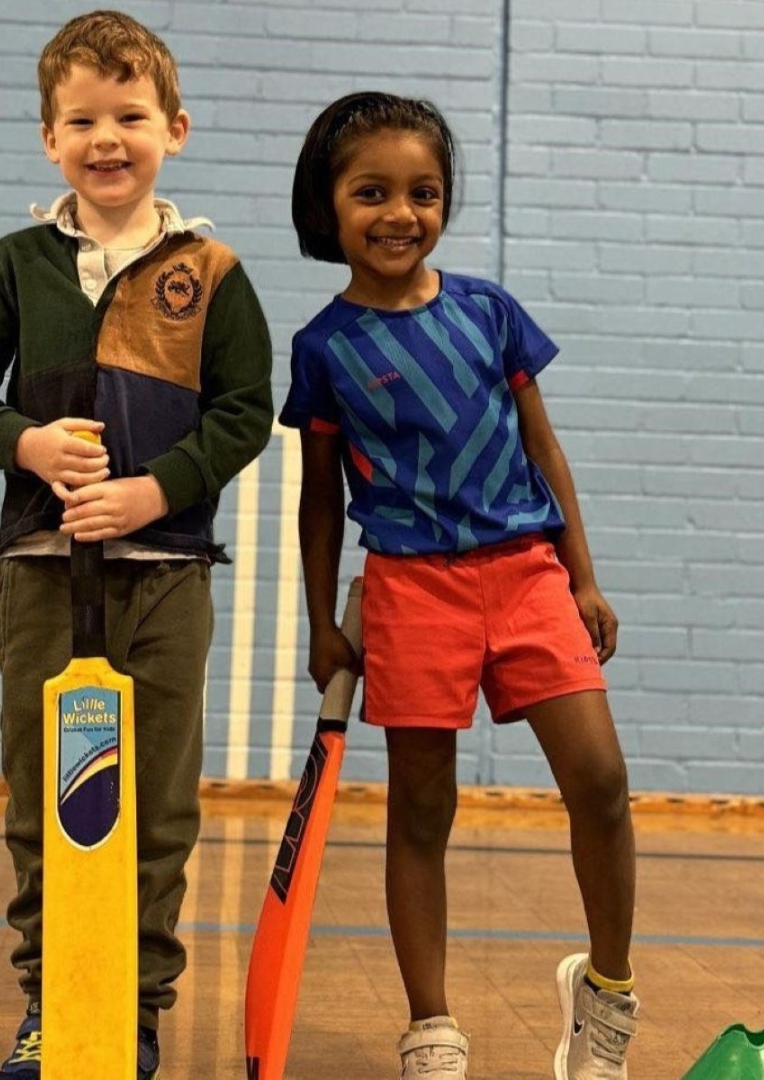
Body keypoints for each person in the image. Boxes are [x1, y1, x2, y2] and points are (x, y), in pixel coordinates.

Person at [0, 11, 273, 1079]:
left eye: (129, 115)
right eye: (81, 119)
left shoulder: (210, 269)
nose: (105, 138)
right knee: (50, 797)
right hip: (40, 577)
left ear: (176, 126)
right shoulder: (13, 264)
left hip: (166, 580)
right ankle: (52, 1005)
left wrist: (150, 492)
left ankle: (135, 1008)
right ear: (48, 138)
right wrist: (23, 441)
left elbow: (246, 411)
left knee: (156, 800)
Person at [280, 91, 639, 1080]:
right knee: (420, 814)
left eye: (423, 192)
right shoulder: (322, 350)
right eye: (373, 193)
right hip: (409, 591)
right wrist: (321, 622)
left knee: (601, 783)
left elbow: (543, 447)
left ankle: (604, 996)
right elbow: (318, 501)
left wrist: (583, 575)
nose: (400, 214)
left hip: (526, 572)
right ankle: (431, 1027)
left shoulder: (489, 312)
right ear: (329, 205)